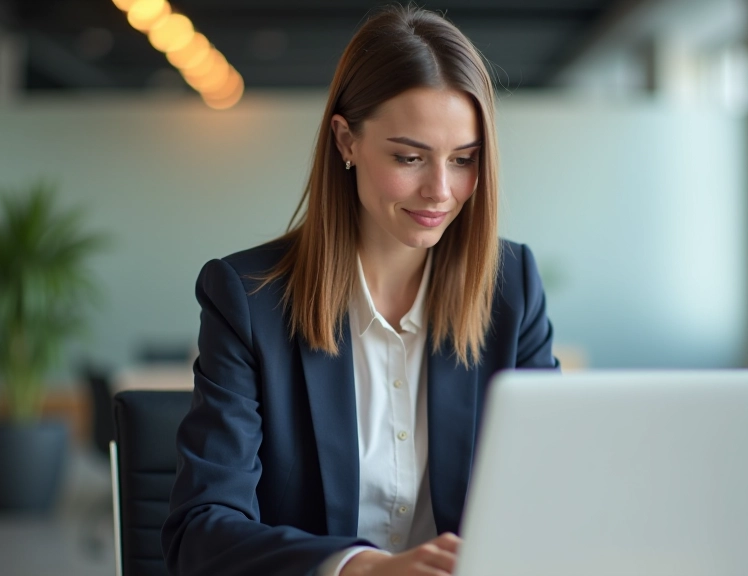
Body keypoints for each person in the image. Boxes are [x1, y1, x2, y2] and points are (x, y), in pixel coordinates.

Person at [162, 5, 558, 576]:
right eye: (409, 157)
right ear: (346, 141)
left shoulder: (510, 287)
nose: (440, 192)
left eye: (464, 160)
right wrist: (362, 569)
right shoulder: (249, 301)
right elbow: (199, 535)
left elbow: (550, 494)